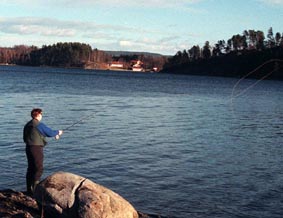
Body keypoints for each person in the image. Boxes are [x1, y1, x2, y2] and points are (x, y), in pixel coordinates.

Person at [23, 108, 63, 195]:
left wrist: (54, 134)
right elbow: (49, 132)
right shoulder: (38, 124)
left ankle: (29, 190)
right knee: (38, 168)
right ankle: (35, 191)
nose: (42, 116)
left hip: (28, 148)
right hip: (36, 148)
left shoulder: (28, 125)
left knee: (31, 168)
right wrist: (58, 132)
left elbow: (29, 136)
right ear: (38, 115)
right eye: (41, 114)